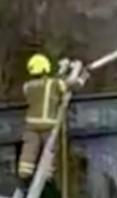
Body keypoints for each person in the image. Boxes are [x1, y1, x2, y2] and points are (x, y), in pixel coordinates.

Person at [18, 54, 85, 184]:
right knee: (49, 150)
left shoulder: (27, 86)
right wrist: (77, 69)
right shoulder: (53, 84)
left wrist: (62, 69)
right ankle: (46, 175)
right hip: (49, 124)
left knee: (29, 150)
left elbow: (51, 82)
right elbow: (70, 84)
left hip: (31, 125)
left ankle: (24, 174)